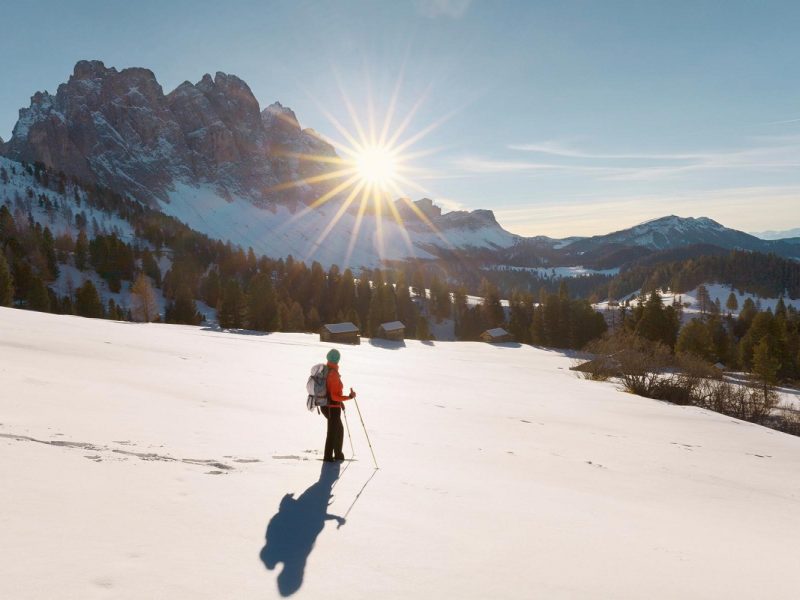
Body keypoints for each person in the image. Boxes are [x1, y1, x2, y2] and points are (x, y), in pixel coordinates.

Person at [321, 348, 356, 462]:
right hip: (332, 408)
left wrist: (340, 402)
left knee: (337, 429)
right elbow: (334, 396)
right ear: (337, 360)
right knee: (333, 431)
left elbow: (330, 391)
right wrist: (348, 397)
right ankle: (329, 457)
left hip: (326, 406)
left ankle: (337, 454)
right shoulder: (333, 374)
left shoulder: (325, 370)